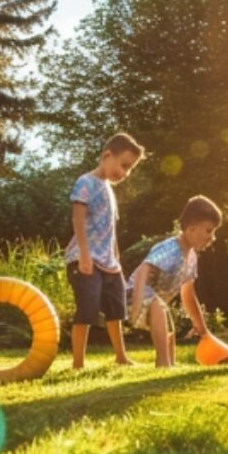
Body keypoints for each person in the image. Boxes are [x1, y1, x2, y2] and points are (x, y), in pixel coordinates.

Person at [64, 132, 145, 369]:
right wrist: (85, 255)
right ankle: (78, 363)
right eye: (124, 165)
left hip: (108, 261)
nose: (125, 173)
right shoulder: (86, 182)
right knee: (87, 310)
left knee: (115, 310)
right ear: (107, 155)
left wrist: (116, 258)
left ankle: (121, 356)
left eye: (130, 169)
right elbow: (78, 219)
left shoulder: (109, 189)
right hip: (85, 258)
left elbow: (111, 228)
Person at [127, 195, 221, 367]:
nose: (212, 237)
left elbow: (188, 293)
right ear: (191, 229)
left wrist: (201, 327)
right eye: (209, 231)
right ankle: (163, 363)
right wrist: (137, 302)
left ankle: (168, 362)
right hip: (133, 294)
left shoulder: (192, 257)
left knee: (168, 324)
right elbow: (143, 269)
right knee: (159, 307)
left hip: (155, 300)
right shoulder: (170, 249)